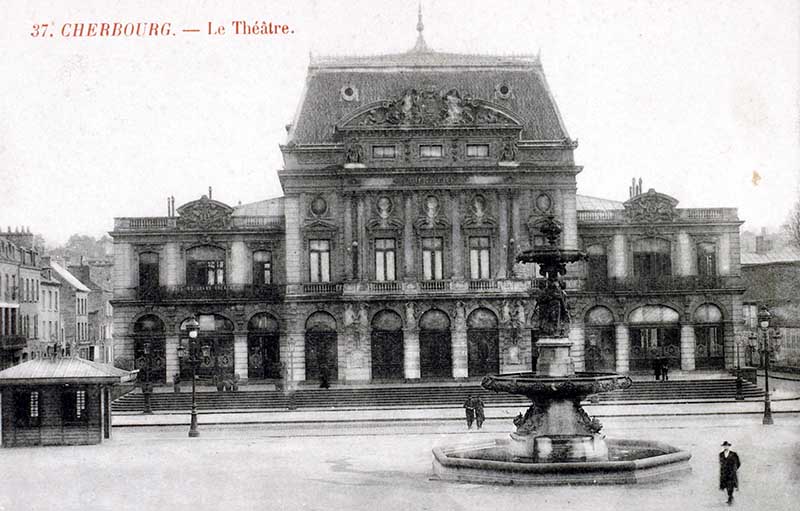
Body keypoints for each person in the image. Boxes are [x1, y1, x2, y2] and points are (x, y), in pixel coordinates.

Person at [719, 441, 741, 505]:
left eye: (727, 446)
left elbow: (738, 463)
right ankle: (730, 497)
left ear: (729, 446)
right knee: (725, 485)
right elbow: (721, 463)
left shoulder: (734, 454)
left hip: (731, 472)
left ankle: (730, 498)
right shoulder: (721, 454)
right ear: (723, 446)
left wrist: (734, 469)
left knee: (730, 485)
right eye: (724, 446)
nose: (726, 447)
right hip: (724, 473)